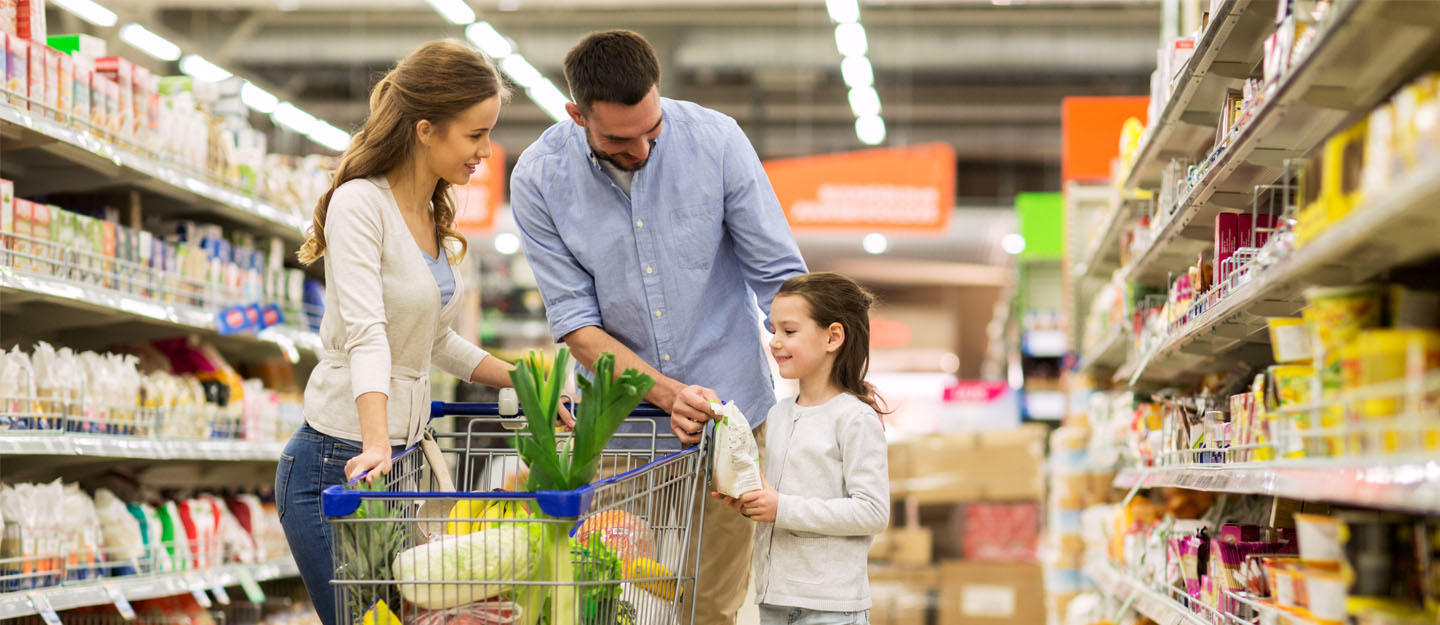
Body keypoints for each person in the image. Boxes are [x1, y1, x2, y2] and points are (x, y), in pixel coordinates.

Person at [510, 29, 808, 625]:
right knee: (607, 601)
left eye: (653, 129)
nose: (643, 149)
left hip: (732, 418)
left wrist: (824, 372)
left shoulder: (717, 140)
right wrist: (669, 396)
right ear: (576, 114)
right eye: (621, 139)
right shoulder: (539, 179)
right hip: (617, 429)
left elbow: (777, 274)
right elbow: (577, 326)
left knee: (711, 608)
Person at [277, 40, 526, 625]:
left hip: (399, 461)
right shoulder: (360, 205)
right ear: (425, 130)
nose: (487, 153)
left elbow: (434, 340)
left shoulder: (434, 214)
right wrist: (375, 442)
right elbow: (368, 334)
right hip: (337, 465)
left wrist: (524, 383)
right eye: (475, 135)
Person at [713, 272, 891, 625]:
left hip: (830, 608)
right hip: (774, 600)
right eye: (773, 330)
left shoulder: (854, 419)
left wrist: (781, 508)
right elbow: (781, 500)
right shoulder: (778, 415)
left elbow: (872, 512)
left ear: (833, 337)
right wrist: (750, 501)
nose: (775, 342)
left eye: (789, 331)